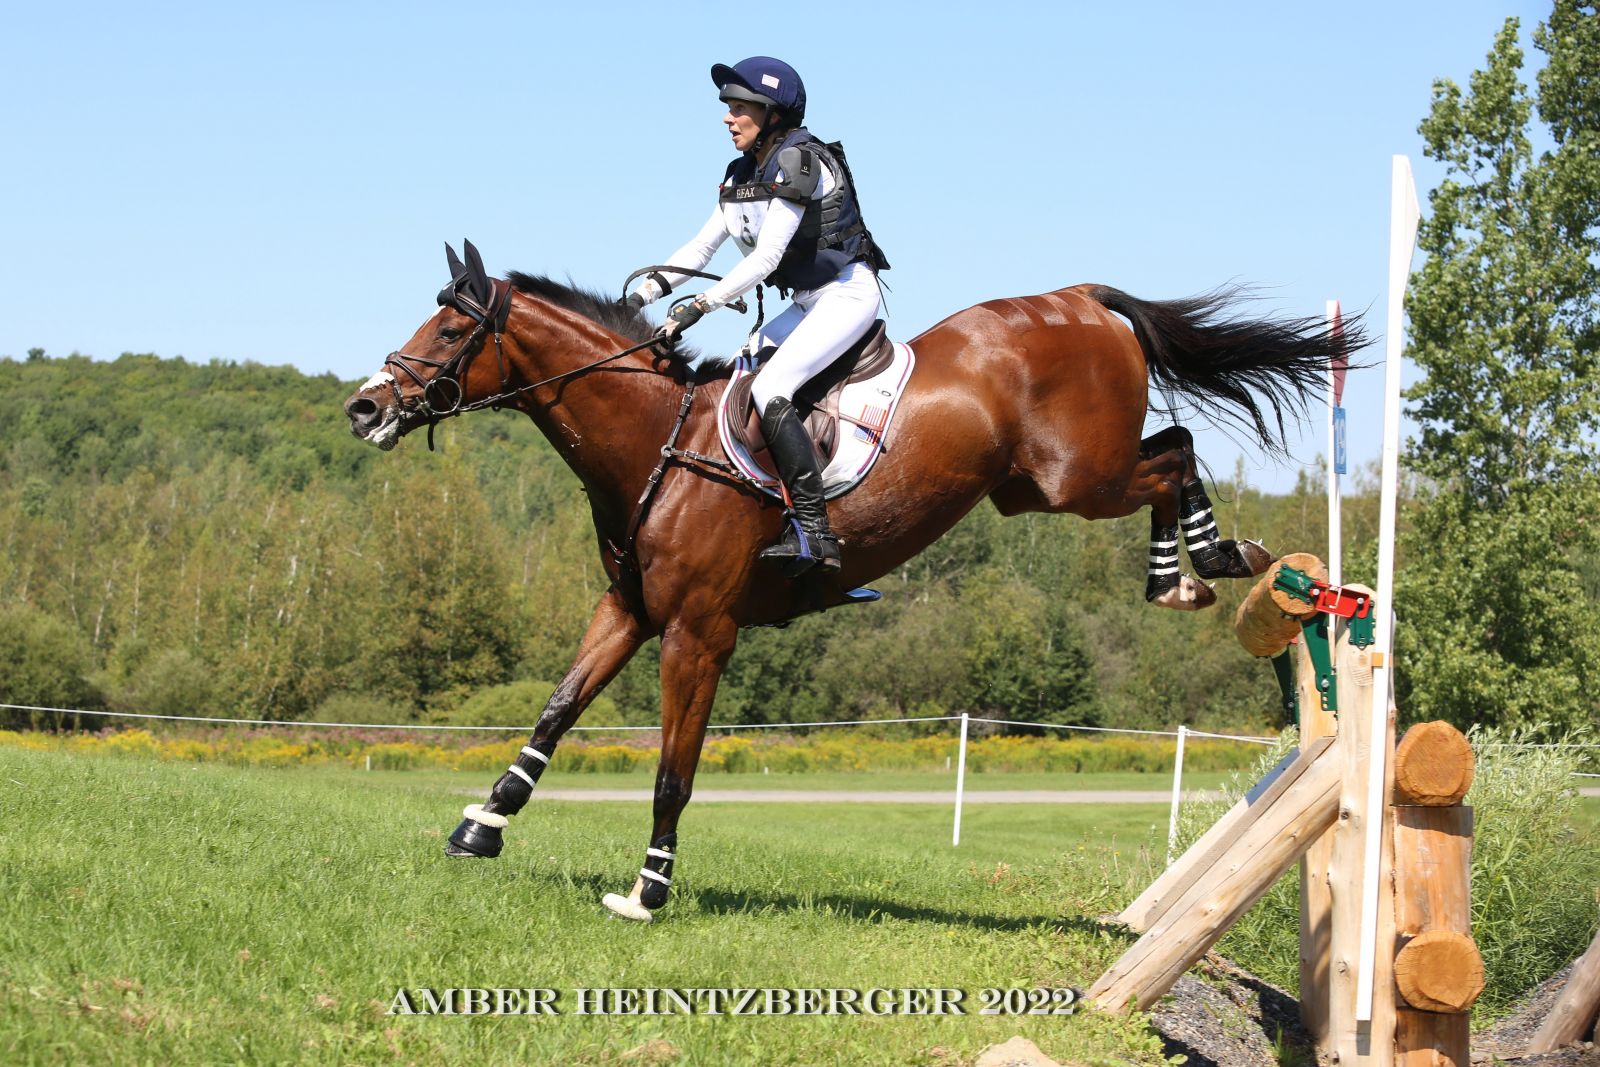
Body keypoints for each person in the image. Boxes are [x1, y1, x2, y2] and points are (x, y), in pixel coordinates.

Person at [625, 56, 888, 577]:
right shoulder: (740, 173)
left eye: (739, 107)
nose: (728, 117)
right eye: (728, 107)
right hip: (809, 301)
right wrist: (644, 294)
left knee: (771, 392)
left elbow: (765, 259)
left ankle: (815, 531)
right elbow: (702, 248)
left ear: (771, 114)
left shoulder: (800, 161)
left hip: (846, 294)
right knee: (739, 376)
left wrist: (701, 306)